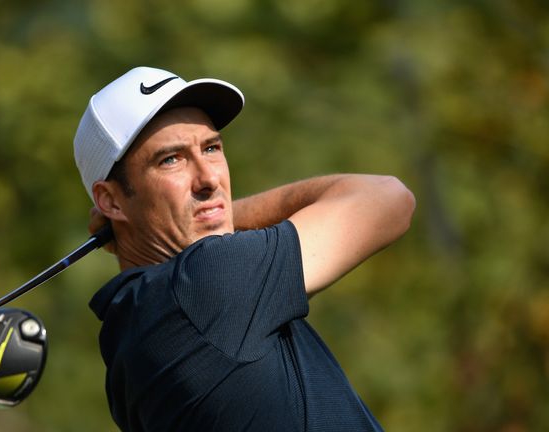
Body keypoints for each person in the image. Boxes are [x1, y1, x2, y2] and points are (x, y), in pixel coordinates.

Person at [72, 66, 415, 431]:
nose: (209, 178)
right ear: (110, 201)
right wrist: (220, 213)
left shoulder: (130, 331)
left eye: (211, 147)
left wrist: (176, 218)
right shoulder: (207, 283)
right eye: (171, 159)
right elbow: (389, 199)